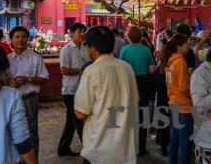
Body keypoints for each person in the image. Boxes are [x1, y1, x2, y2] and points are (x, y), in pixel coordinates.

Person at [74, 26, 138, 164]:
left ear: (92, 47)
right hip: (125, 146)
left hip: (99, 148)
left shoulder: (92, 71)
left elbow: (80, 113)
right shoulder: (126, 67)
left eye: (86, 44)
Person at [8, 25, 49, 160]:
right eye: (17, 37)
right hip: (9, 101)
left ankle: (33, 160)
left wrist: (28, 79)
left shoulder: (36, 58)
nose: (20, 40)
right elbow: (0, 79)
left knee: (31, 131)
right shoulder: (6, 59)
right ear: (11, 40)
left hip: (29, 99)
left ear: (28, 39)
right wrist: (8, 83)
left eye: (24, 37)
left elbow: (44, 78)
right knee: (10, 131)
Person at [119, 25, 156, 157]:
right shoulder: (146, 50)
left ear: (128, 37)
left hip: (128, 83)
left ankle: (129, 145)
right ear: (140, 36)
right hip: (143, 83)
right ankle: (141, 147)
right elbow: (152, 69)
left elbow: (121, 69)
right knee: (143, 113)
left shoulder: (124, 50)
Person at [160, 34, 193, 164]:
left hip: (173, 103)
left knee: (174, 140)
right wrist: (195, 95)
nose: (188, 46)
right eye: (186, 44)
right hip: (184, 105)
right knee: (185, 144)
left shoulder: (170, 60)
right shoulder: (180, 61)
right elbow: (184, 86)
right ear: (179, 47)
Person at [57, 23, 87, 157]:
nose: (82, 34)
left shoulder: (85, 49)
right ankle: (89, 148)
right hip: (70, 91)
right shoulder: (67, 49)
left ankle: (63, 148)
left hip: (82, 89)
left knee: (71, 121)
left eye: (83, 31)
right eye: (79, 31)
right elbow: (64, 70)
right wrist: (82, 71)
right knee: (78, 120)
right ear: (72, 34)